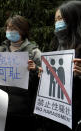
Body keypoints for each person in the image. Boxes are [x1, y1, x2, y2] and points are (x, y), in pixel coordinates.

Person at [0, 15, 41, 131]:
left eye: (14, 28)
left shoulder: (34, 52)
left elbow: (43, 78)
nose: (10, 31)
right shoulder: (0, 50)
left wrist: (34, 69)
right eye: (8, 28)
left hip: (23, 110)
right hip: (0, 108)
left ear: (23, 30)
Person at [41, 1, 81, 131]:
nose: (57, 23)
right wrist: (43, 75)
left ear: (74, 19)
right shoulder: (54, 46)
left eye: (61, 18)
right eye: (55, 19)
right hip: (56, 115)